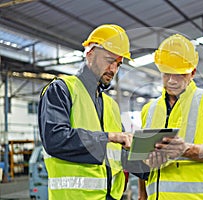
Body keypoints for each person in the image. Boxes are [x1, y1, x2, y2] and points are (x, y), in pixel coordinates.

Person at [38, 24, 134, 200]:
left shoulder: (110, 104)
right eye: (109, 60)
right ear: (90, 54)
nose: (113, 70)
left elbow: (117, 154)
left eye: (118, 64)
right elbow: (55, 139)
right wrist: (109, 137)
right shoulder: (62, 89)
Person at [138, 34, 203, 200]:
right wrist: (142, 196)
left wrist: (186, 149)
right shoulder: (149, 109)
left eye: (179, 74)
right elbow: (143, 161)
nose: (172, 80)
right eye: (166, 74)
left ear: (192, 73)